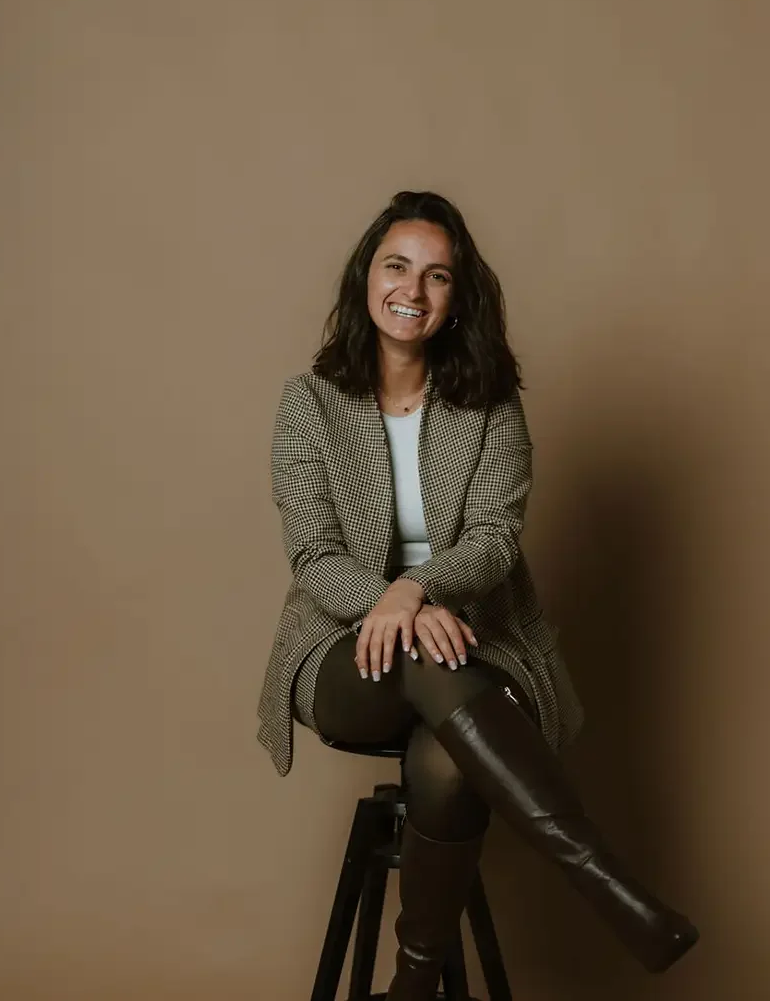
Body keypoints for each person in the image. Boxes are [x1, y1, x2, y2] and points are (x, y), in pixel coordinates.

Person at [254, 190, 698, 994]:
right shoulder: (308, 405)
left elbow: (494, 540)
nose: (413, 291)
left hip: (475, 643)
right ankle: (600, 877)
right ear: (366, 277)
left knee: (447, 763)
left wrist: (418, 588)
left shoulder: (489, 405)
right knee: (424, 654)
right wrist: (394, 603)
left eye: (437, 277)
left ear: (460, 298)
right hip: (340, 653)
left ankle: (414, 985)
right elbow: (315, 556)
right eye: (397, 267)